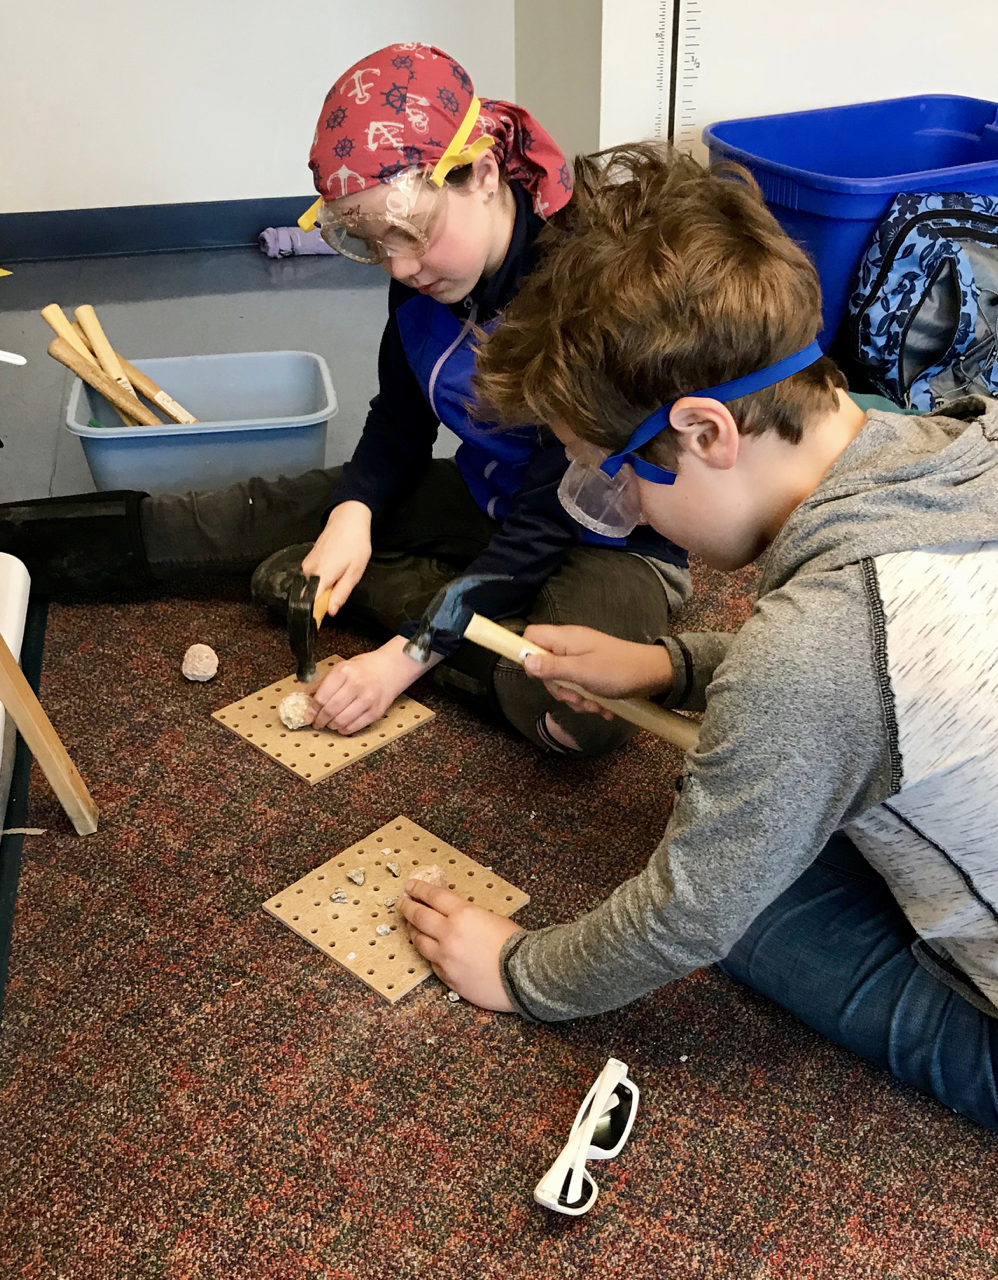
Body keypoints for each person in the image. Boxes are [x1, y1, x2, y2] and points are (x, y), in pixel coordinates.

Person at [397, 145, 998, 1131]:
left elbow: (689, 908)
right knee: (759, 783)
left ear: (707, 430)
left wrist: (515, 968)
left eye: (613, 476)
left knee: (742, 900)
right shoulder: (956, 436)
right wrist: (669, 664)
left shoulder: (811, 653)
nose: (620, 505)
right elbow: (872, 682)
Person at [0, 44, 689, 756]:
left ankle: (422, 606)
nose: (400, 266)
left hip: (609, 545)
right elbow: (399, 419)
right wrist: (354, 514)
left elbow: (550, 515)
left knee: (573, 714)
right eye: (371, 243)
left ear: (483, 174)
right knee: (275, 507)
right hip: (490, 497)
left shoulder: (584, 288)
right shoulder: (423, 274)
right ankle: (17, 545)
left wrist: (404, 659)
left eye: (414, 234)